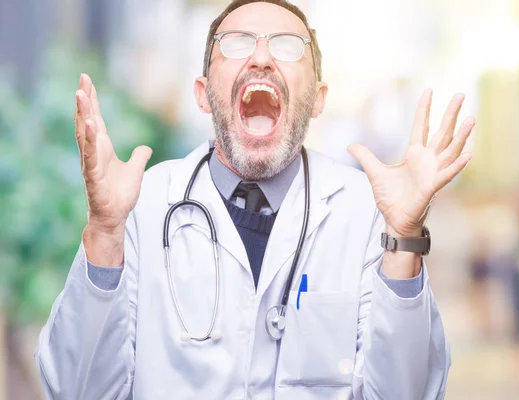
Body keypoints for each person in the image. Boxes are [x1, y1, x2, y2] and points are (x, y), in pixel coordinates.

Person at [35, 0, 475, 398]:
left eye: (287, 46)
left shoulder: (365, 213)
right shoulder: (142, 205)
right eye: (236, 43)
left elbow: (406, 393)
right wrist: (105, 232)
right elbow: (76, 390)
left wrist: (403, 236)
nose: (262, 57)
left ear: (318, 99)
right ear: (203, 94)